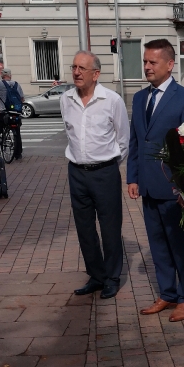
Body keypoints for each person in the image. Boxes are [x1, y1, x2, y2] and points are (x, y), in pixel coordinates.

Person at [127, 39, 184, 322]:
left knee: (180, 245)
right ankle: (167, 293)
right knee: (157, 244)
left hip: (173, 187)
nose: (147, 66)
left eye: (152, 62)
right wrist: (133, 177)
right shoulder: (139, 98)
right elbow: (136, 140)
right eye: (145, 61)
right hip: (147, 185)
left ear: (170, 65)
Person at [60, 50, 130, 299]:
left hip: (105, 172)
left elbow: (123, 139)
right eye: (74, 67)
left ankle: (112, 277)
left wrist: (108, 165)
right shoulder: (66, 99)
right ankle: (96, 275)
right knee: (85, 228)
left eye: (82, 68)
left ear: (96, 74)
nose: (76, 72)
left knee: (110, 227)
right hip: (76, 172)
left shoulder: (112, 100)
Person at [0, 69, 24, 159]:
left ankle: (0, 148)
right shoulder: (16, 84)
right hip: (16, 112)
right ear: (10, 75)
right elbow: (22, 99)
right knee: (17, 132)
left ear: (2, 76)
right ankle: (18, 154)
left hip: (4, 112)